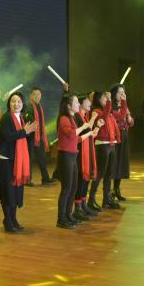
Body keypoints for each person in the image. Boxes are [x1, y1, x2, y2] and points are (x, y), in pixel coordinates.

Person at [0, 91, 38, 232]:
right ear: (9, 104)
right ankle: (8, 220)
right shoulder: (6, 118)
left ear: (23, 103)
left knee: (16, 190)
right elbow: (7, 137)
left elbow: (24, 138)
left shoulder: (22, 117)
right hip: (7, 159)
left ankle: (13, 219)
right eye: (13, 101)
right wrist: (25, 132)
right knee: (8, 190)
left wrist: (30, 131)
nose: (16, 104)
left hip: (18, 159)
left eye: (19, 101)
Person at [56, 93, 94, 228]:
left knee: (73, 188)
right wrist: (84, 127)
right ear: (68, 105)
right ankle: (61, 219)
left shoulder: (71, 118)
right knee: (67, 188)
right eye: (76, 102)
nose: (78, 104)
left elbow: (75, 139)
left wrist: (89, 133)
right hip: (65, 156)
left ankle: (69, 215)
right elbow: (71, 134)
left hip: (72, 156)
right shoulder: (64, 118)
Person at [89, 90, 121, 211]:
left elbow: (121, 114)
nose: (106, 100)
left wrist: (123, 101)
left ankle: (106, 199)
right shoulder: (96, 111)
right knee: (100, 172)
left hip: (111, 143)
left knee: (109, 173)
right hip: (102, 144)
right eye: (104, 98)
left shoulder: (108, 112)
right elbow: (105, 115)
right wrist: (109, 101)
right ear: (98, 99)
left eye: (107, 98)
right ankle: (91, 199)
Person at [73, 92, 101, 222]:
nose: (90, 103)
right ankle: (77, 208)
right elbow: (85, 131)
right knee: (81, 179)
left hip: (88, 150)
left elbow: (90, 133)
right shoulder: (77, 117)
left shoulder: (84, 116)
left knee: (85, 180)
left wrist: (97, 127)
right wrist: (94, 118)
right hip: (80, 153)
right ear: (80, 103)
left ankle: (83, 205)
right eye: (87, 101)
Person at [110, 84, 135, 201]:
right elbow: (119, 118)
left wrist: (129, 117)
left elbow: (130, 122)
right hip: (115, 136)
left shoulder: (124, 105)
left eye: (123, 92)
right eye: (119, 92)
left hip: (124, 135)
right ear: (114, 94)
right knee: (114, 162)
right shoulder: (111, 106)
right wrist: (124, 111)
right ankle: (109, 191)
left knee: (121, 162)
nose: (122, 95)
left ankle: (117, 189)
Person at [27, 87, 55, 186]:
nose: (37, 96)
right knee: (29, 159)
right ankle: (27, 180)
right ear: (31, 95)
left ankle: (45, 179)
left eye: (39, 94)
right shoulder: (28, 107)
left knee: (42, 159)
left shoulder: (39, 106)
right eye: (35, 94)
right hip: (30, 138)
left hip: (39, 137)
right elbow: (28, 122)